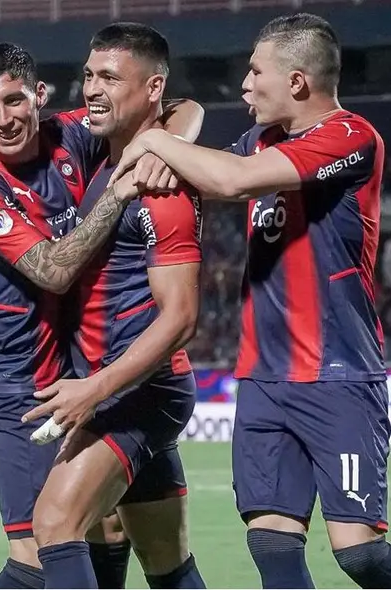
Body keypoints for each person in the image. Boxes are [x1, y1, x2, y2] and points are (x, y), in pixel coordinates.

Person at [110, 13, 390, 589]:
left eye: (255, 71)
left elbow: (232, 180)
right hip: (262, 377)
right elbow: (196, 137)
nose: (244, 84)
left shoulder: (350, 135)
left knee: (359, 555)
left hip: (336, 377)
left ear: (295, 81)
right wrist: (167, 145)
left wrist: (156, 141)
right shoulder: (261, 139)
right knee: (271, 545)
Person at [0, 41, 203, 589]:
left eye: (14, 100)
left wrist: (162, 148)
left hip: (88, 373)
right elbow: (54, 270)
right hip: (20, 383)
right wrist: (122, 187)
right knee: (40, 554)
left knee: (123, 539)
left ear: (39, 96)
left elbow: (183, 108)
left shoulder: (72, 134)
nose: (3, 118)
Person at [21, 23, 206, 589]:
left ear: (151, 89)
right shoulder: (111, 161)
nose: (91, 89)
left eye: (108, 77)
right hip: (118, 389)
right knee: (165, 563)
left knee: (54, 524)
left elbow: (181, 318)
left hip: (137, 393)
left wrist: (94, 391)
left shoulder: (163, 189)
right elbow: (186, 109)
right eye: (87, 75)